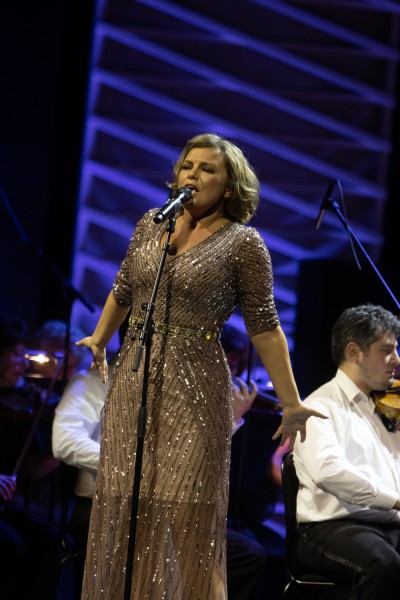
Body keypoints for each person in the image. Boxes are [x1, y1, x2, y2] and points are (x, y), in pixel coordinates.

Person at [76, 132, 325, 599]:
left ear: (229, 187)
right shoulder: (151, 225)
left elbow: (265, 327)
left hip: (195, 386)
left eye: (207, 169)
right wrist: (100, 338)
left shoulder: (243, 243)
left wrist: (291, 402)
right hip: (135, 379)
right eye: (187, 166)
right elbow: (124, 288)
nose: (193, 174)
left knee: (187, 518)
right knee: (128, 509)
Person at [52, 321, 267, 600]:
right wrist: (132, 464)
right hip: (103, 506)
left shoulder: (169, 387)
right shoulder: (94, 380)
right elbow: (65, 442)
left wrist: (229, 419)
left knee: (245, 554)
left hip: (162, 509)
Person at [292, 303, 400, 599]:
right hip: (328, 528)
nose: (396, 359)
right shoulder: (319, 407)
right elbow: (328, 471)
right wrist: (395, 501)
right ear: (354, 352)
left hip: (385, 525)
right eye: (387, 350)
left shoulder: (388, 406)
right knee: (383, 563)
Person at [0, 314, 61, 600]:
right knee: (9, 545)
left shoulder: (19, 405)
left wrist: (64, 449)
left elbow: (34, 469)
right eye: (16, 354)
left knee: (50, 539)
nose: (24, 364)